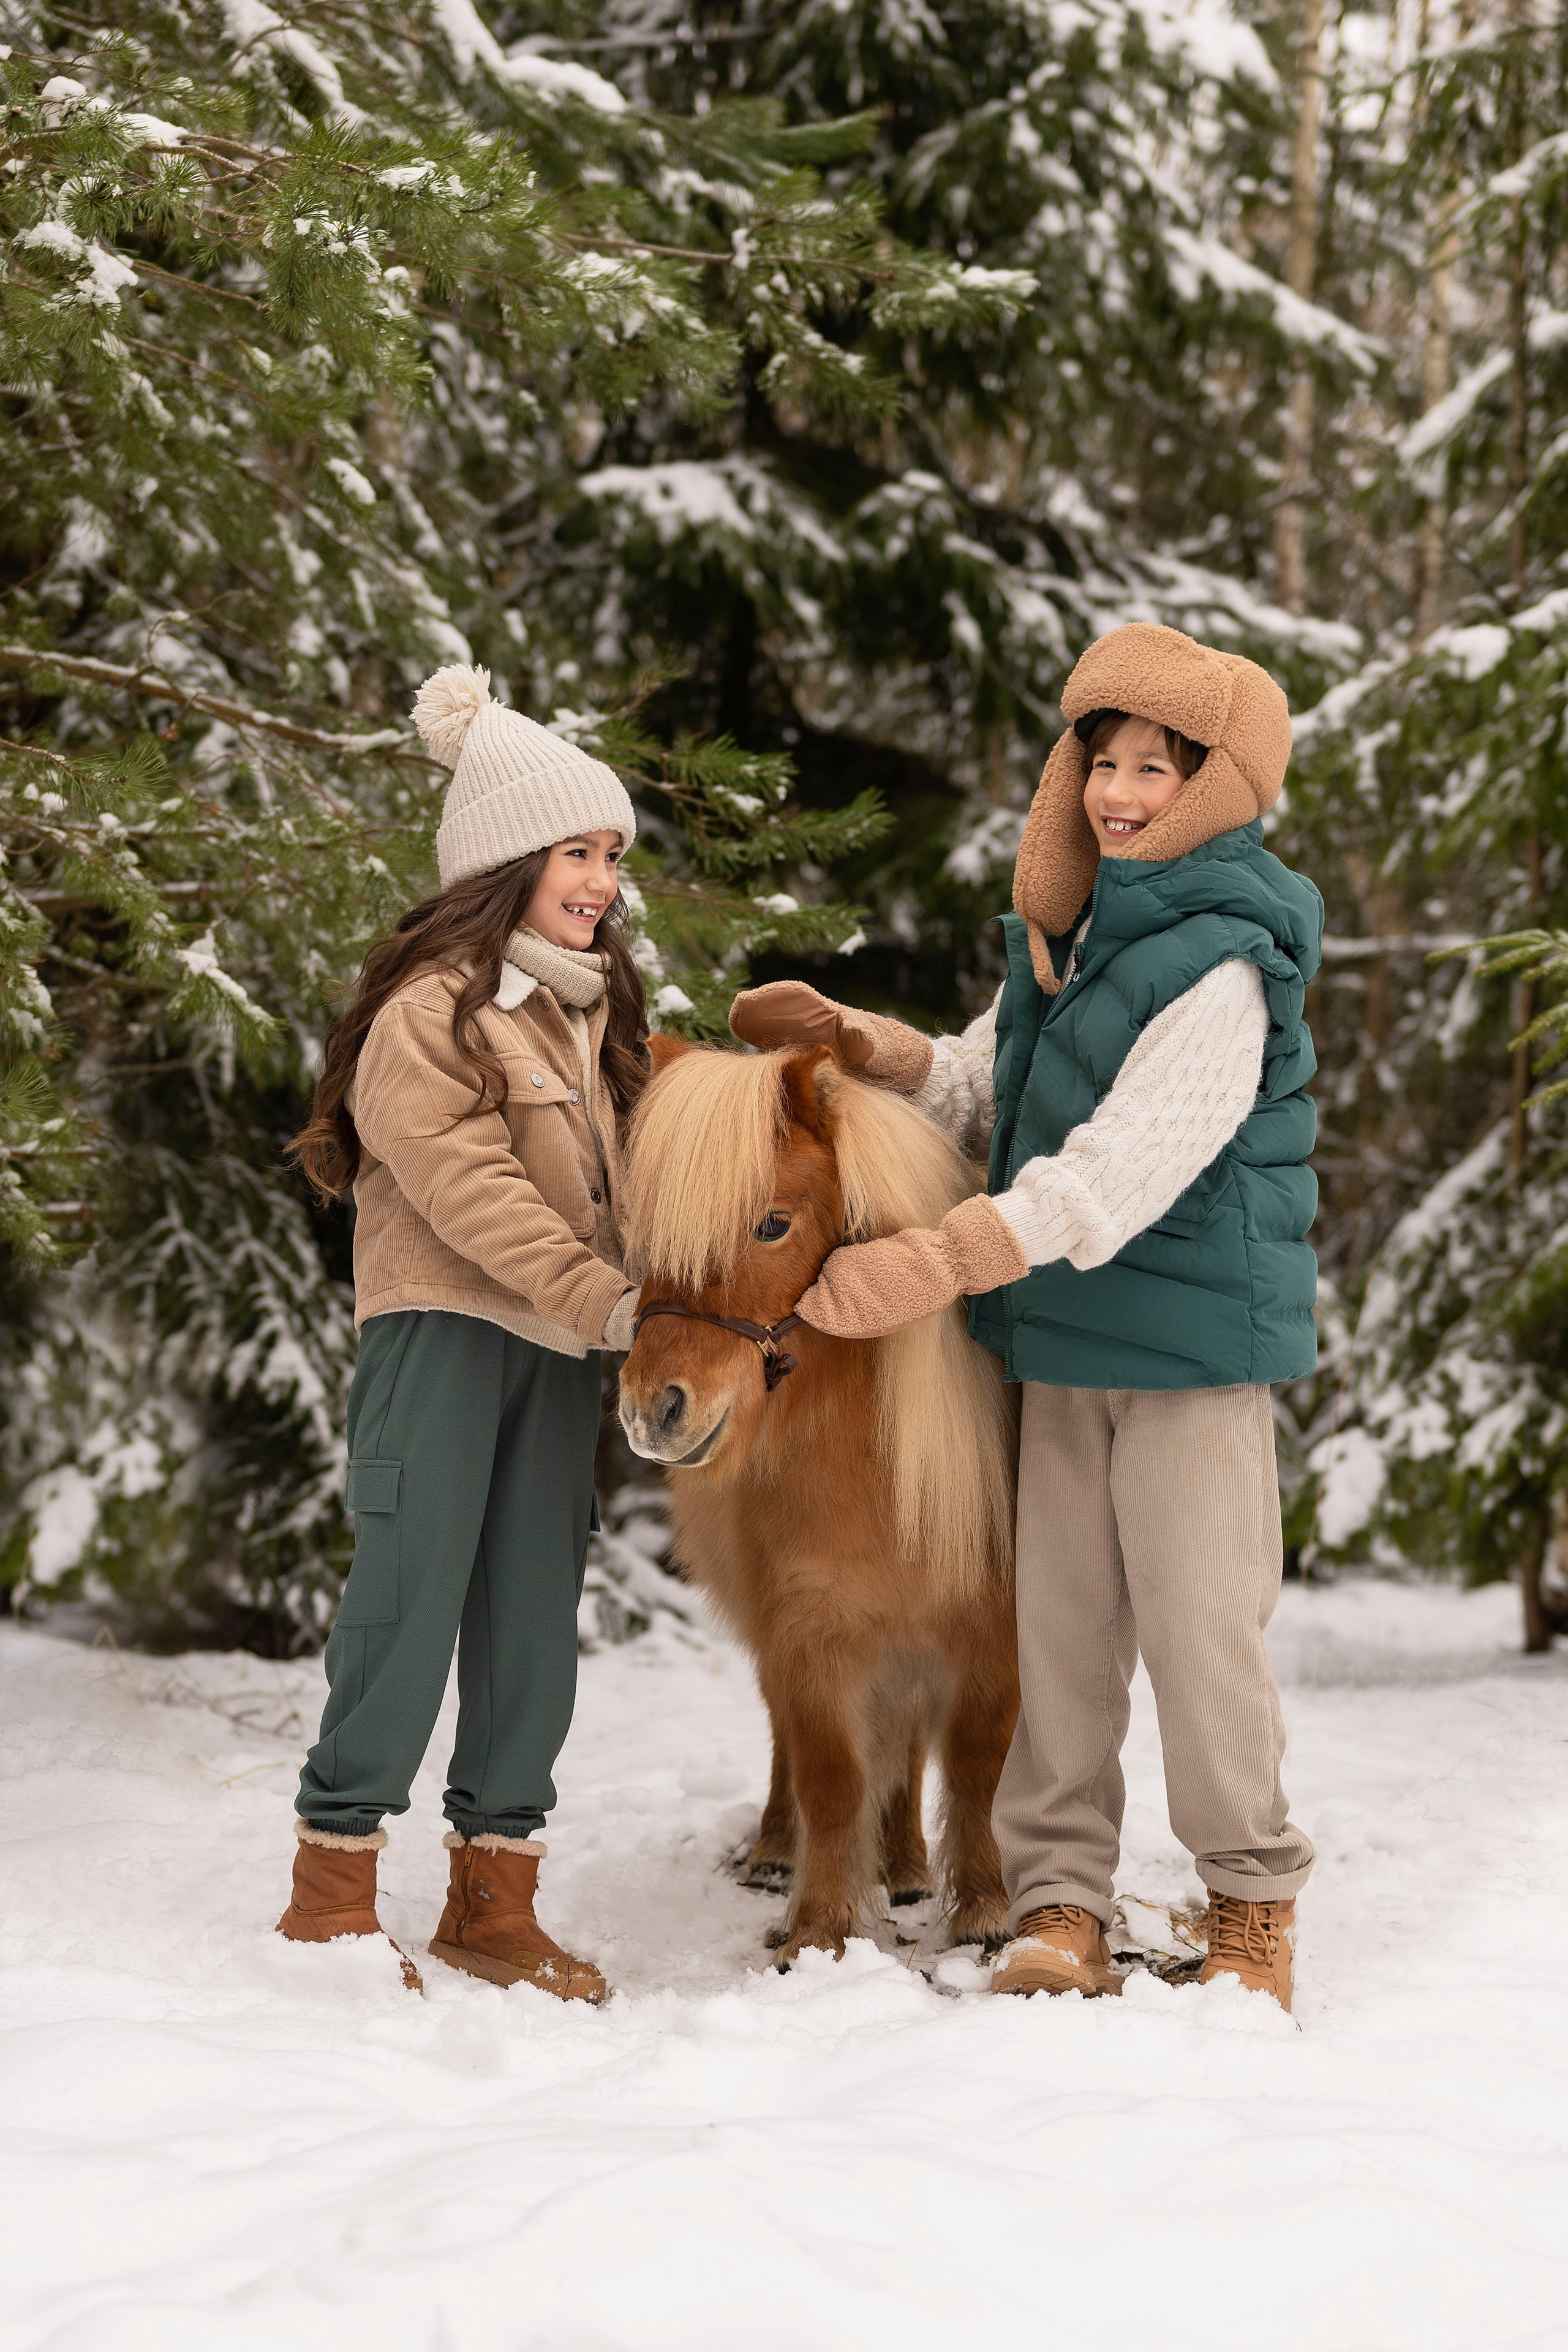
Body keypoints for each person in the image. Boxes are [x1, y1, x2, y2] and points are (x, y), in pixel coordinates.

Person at [731, 622, 1321, 2015]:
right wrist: (868, 1045)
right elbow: (986, 1087)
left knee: (1199, 1638)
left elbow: (1122, 1165)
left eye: (1155, 769)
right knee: (1056, 1639)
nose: (1118, 793)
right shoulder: (1071, 941)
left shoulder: (1226, 961)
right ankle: (1060, 1899)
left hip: (1186, 1359)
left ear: (1215, 787)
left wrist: (939, 1261)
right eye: (1101, 763)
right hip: (1060, 1348)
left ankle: (1248, 1899)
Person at [279, 663, 646, 2002]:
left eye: (611, 854)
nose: (600, 880)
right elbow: (468, 1186)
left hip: (558, 1349)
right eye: (575, 852)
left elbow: (632, 1186)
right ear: (506, 861)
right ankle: (331, 1897)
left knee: (531, 1622)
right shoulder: (429, 1012)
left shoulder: (593, 1013)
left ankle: (494, 1904)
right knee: (407, 1597)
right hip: (441, 1330)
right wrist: (603, 1299)